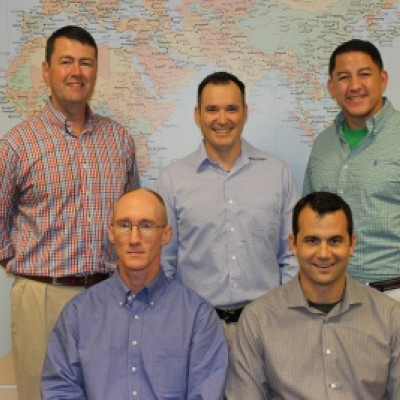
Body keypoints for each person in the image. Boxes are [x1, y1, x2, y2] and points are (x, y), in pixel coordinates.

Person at [0, 25, 139, 400]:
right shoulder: (17, 145)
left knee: (110, 390)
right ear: (46, 71)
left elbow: (131, 220)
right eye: (66, 62)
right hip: (42, 296)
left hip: (108, 294)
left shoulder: (119, 140)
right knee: (41, 393)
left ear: (96, 71)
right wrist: (23, 267)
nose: (77, 72)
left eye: (86, 63)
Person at [41, 188, 228, 400]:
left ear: (166, 235)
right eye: (124, 225)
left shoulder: (197, 317)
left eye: (146, 226)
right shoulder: (78, 314)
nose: (134, 238)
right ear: (111, 233)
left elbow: (205, 394)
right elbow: (60, 390)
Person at [156, 71, 299, 345]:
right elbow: (164, 261)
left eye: (231, 109)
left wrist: (283, 314)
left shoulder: (277, 174)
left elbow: (293, 255)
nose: (222, 119)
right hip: (196, 328)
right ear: (197, 114)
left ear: (245, 112)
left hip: (265, 325)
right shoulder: (172, 180)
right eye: (212, 109)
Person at [226, 191, 400, 399]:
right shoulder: (257, 320)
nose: (324, 253)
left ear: (352, 244)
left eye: (335, 241)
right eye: (312, 241)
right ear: (293, 244)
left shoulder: (390, 317)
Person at [303, 39, 400, 299]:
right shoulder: (322, 144)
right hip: (333, 295)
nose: (354, 86)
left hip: (394, 293)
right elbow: (308, 221)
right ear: (331, 87)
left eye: (364, 74)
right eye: (344, 77)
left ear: (382, 79)